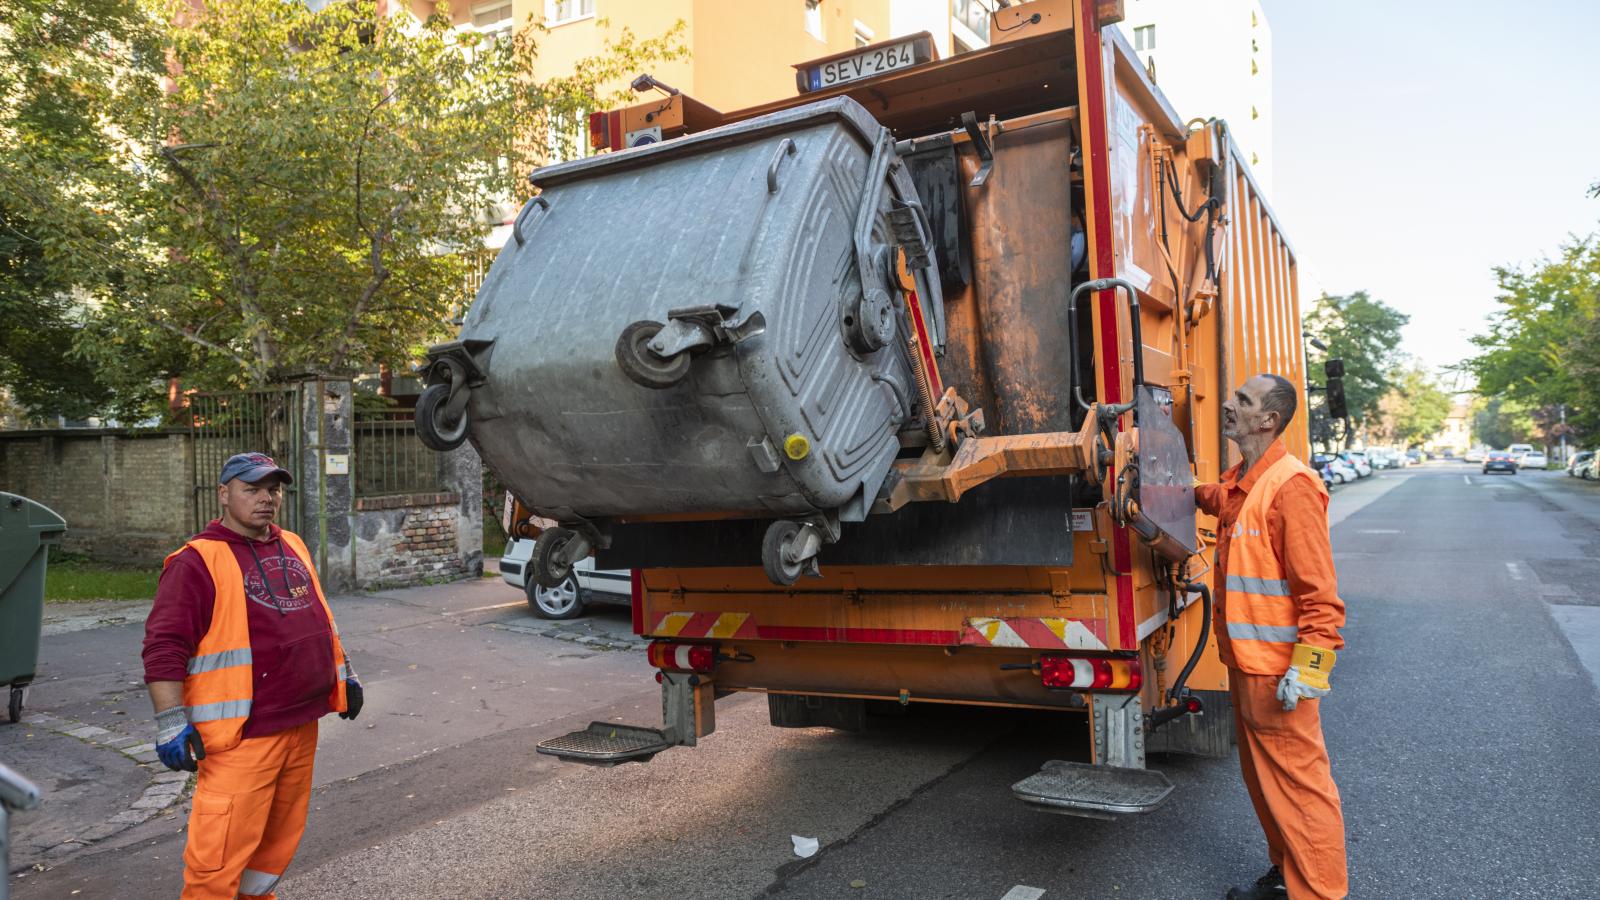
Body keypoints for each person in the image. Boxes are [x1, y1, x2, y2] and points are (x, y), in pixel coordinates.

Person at [142, 452, 364, 900]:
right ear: (224, 495)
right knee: (217, 859)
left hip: (302, 723)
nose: (266, 499)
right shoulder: (196, 562)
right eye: (252, 489)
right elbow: (164, 648)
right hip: (241, 737)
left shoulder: (293, 544)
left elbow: (320, 619)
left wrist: (346, 676)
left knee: (271, 850)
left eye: (273, 490)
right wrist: (169, 722)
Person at [1194, 374, 1347, 900]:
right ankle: (1287, 876)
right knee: (1266, 787)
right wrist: (1174, 488)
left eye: (1243, 401)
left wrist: (1307, 673)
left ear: (1268, 420)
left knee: (1302, 794)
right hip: (1247, 665)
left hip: (1279, 673)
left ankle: (1319, 893)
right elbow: (1220, 498)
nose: (1228, 406)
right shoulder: (1246, 479)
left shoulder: (1293, 487)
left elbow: (1321, 599)